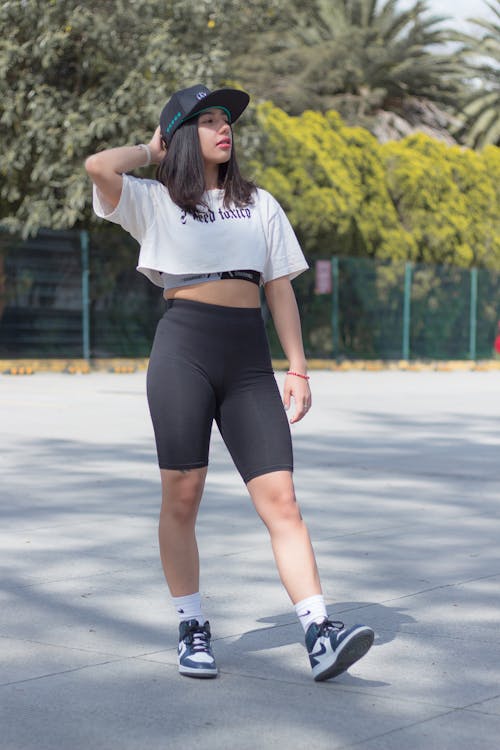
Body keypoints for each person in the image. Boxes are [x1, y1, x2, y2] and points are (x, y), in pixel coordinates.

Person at [85, 84, 374, 681]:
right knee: (182, 495)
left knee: (282, 499)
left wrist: (296, 366)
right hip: (183, 349)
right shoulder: (152, 200)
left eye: (227, 120)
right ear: (181, 134)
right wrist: (151, 148)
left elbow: (280, 288)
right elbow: (97, 166)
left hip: (248, 360)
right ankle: (192, 626)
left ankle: (319, 630)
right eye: (209, 120)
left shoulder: (260, 203)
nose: (224, 128)